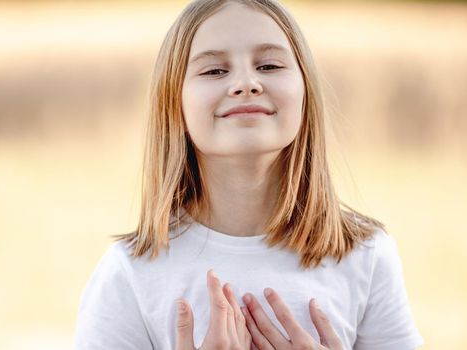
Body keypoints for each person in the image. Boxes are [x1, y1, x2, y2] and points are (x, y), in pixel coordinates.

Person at [72, 0, 424, 349]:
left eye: (269, 65)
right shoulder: (131, 274)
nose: (246, 83)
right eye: (214, 71)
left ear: (305, 91)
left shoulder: (365, 256)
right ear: (173, 103)